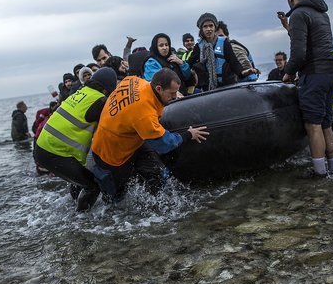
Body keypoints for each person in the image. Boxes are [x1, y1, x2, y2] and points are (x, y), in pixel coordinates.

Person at [89, 69, 209, 202]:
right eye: (172, 93)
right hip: (110, 154)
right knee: (115, 197)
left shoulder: (134, 80)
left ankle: (156, 203)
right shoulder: (144, 114)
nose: (175, 97)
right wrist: (188, 135)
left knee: (157, 174)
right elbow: (165, 144)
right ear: (159, 88)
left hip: (130, 138)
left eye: (176, 92)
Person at [277, 0, 333, 177]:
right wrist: (288, 27)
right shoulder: (321, 12)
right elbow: (310, 41)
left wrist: (288, 72)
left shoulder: (298, 13)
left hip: (314, 74)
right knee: (326, 123)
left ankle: (320, 174)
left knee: (313, 125)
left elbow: (299, 52)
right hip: (331, 71)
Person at [34, 67, 119, 211]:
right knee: (92, 186)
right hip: (54, 152)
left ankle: (73, 208)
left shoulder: (82, 92)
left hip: (42, 147)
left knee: (80, 180)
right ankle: (82, 221)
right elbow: (112, 127)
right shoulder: (100, 101)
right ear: (108, 89)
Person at [187, 12, 254, 92]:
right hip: (208, 89)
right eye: (205, 26)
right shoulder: (198, 47)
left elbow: (233, 62)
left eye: (211, 25)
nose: (209, 29)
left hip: (227, 85)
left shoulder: (224, 42)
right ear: (201, 29)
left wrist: (243, 71)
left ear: (215, 27)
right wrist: (180, 63)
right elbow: (190, 64)